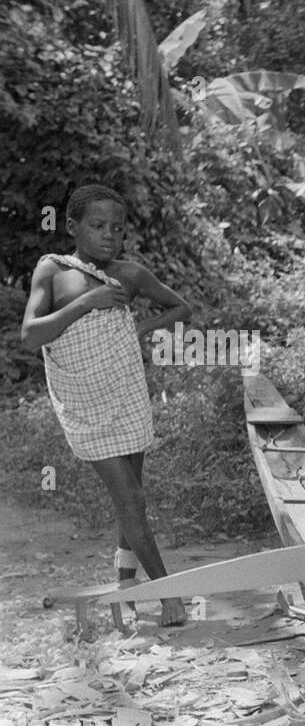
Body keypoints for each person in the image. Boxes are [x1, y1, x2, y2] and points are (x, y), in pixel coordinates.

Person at [21, 184, 193, 626]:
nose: (108, 236)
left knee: (129, 501)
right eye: (97, 226)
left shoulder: (129, 274)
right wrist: (87, 303)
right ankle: (169, 595)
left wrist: (138, 332)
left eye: (116, 228)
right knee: (132, 500)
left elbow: (181, 308)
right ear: (73, 227)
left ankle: (126, 590)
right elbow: (31, 335)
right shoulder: (53, 271)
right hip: (83, 406)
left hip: (126, 396)